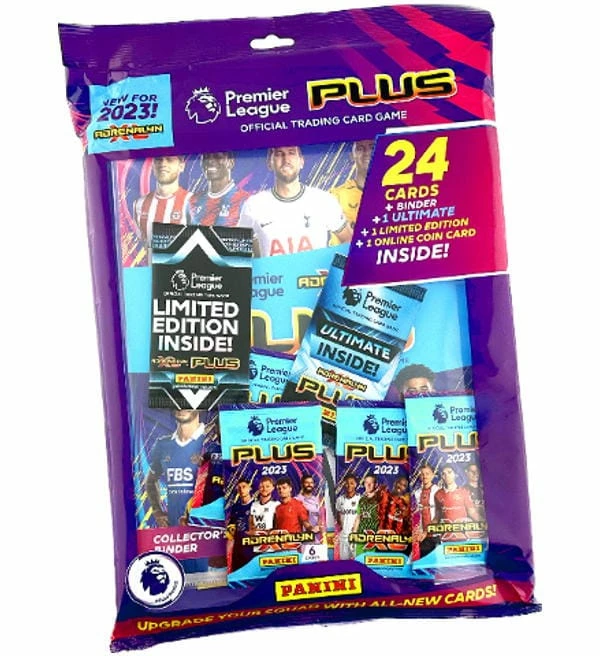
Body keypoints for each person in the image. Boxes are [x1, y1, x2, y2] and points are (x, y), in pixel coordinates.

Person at [238, 145, 352, 257]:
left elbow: (348, 239)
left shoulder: (323, 201)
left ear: (301, 161)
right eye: (279, 154)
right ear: (269, 163)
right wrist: (259, 265)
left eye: (291, 153)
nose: (286, 160)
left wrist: (335, 268)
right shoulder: (253, 205)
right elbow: (237, 254)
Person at [145, 409, 206, 528]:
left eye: (187, 403)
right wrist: (157, 511)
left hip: (206, 530)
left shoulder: (211, 442)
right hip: (174, 529)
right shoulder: (162, 444)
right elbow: (151, 480)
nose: (182, 407)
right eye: (178, 402)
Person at [133, 155, 192, 247]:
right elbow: (143, 242)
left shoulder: (194, 202)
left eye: (170, 159)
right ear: (153, 166)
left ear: (181, 166)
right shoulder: (139, 204)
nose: (163, 164)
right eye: (158, 159)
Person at [191, 151, 250, 227]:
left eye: (217, 156)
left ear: (231, 163)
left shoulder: (245, 200)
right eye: (206, 157)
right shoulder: (193, 200)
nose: (210, 161)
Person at [330, 139, 375, 231]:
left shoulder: (395, 193)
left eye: (372, 147)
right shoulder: (335, 196)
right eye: (360, 148)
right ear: (352, 156)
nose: (367, 153)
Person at [412, 463, 440, 559]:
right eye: (422, 474)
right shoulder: (417, 493)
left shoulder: (438, 491)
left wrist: (426, 531)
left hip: (436, 534)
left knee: (436, 562)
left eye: (427, 473)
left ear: (432, 475)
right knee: (424, 562)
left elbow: (439, 514)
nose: (425, 476)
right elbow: (418, 514)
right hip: (422, 537)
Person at [227, 479, 254, 572]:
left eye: (244, 487)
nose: (242, 490)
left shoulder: (256, 505)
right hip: (238, 548)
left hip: (251, 547)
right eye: (239, 488)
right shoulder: (235, 507)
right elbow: (231, 529)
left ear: (250, 488)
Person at [335, 474, 361, 559]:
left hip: (356, 536)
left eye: (352, 483)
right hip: (343, 537)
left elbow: (361, 517)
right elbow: (338, 516)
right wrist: (342, 528)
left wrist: (355, 530)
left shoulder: (360, 499)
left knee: (358, 561)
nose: (349, 485)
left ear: (356, 484)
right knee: (344, 562)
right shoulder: (339, 500)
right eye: (347, 483)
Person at [378, 475, 411, 539]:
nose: (401, 486)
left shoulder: (405, 505)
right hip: (380, 537)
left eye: (404, 486)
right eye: (399, 483)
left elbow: (408, 524)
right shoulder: (384, 495)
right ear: (395, 483)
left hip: (396, 540)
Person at [295, 474, 325, 540]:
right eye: (307, 482)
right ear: (302, 484)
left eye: (311, 483)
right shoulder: (296, 500)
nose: (309, 484)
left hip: (316, 537)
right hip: (301, 537)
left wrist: (319, 527)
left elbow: (320, 516)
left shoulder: (317, 500)